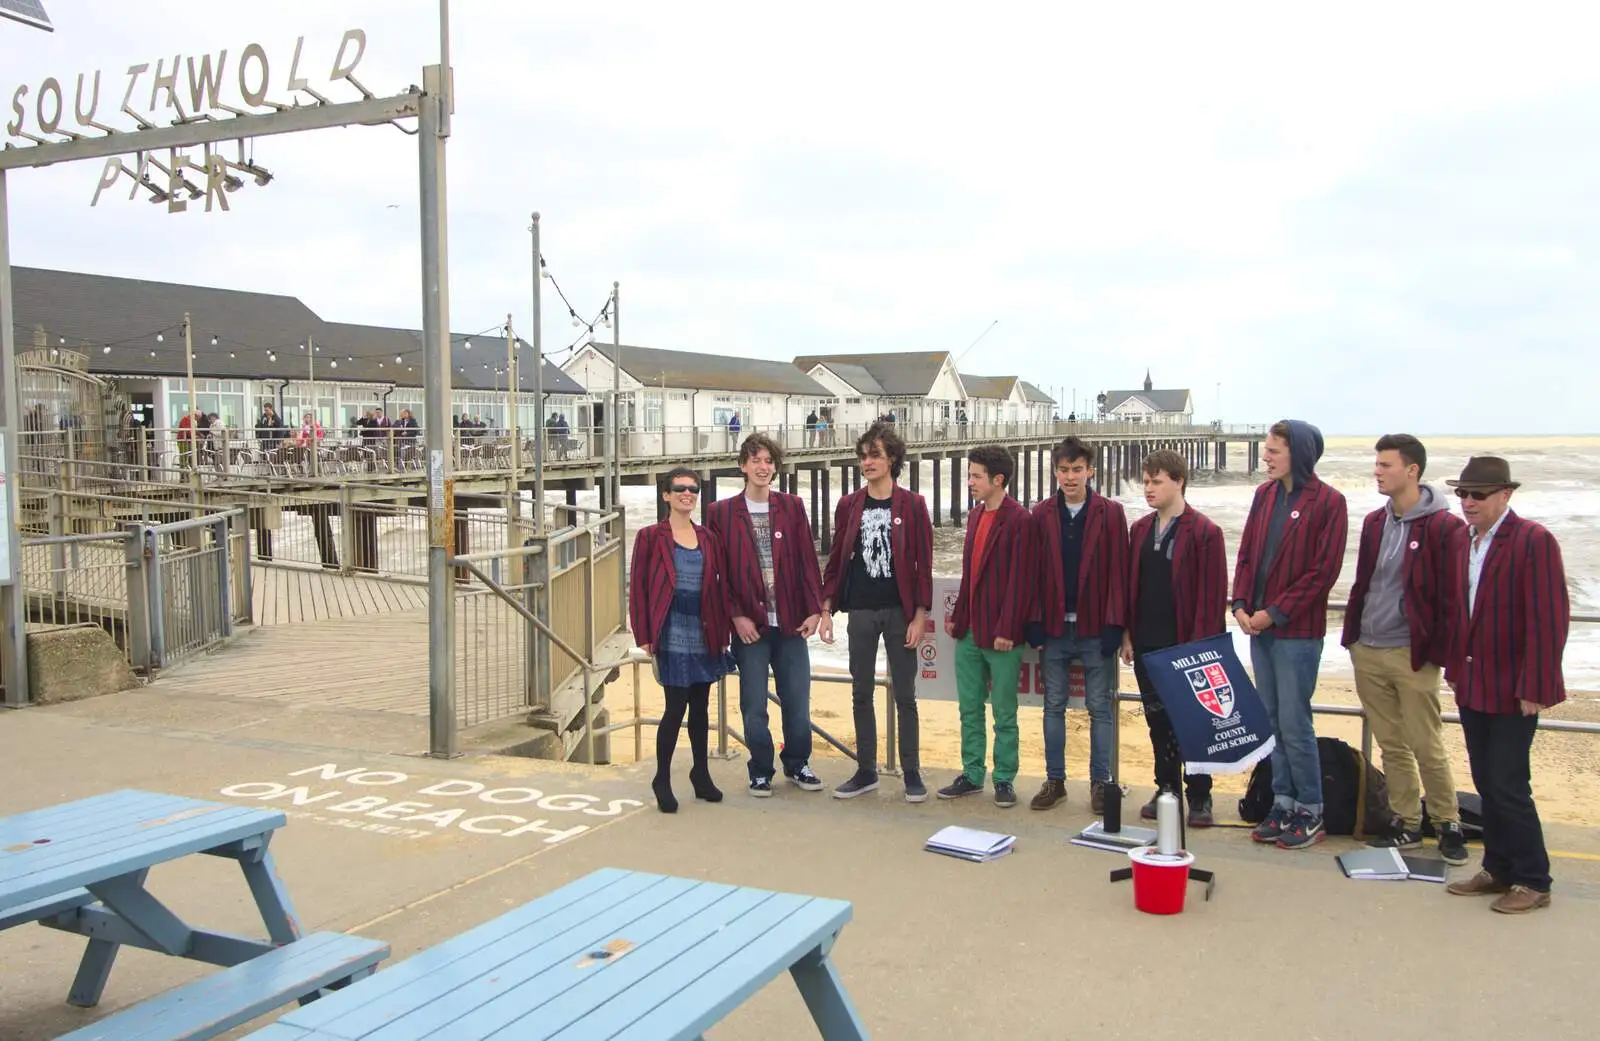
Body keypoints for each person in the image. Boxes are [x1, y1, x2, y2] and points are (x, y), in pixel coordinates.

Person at [1444, 456, 1568, 914]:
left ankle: (1534, 879)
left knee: (1509, 782)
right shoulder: (1463, 541)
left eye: (1478, 494)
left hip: (1515, 686)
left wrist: (1533, 684)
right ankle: (1498, 868)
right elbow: (1460, 611)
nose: (1468, 502)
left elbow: (1548, 618)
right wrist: (1454, 669)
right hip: (1473, 680)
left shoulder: (1533, 541)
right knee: (1485, 781)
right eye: (1462, 494)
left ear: (1505, 495)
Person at [1341, 434, 1470, 865]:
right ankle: (1405, 822)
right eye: (1377, 464)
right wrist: (1354, 637)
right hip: (1369, 648)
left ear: (1412, 471)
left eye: (1386, 465)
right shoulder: (1376, 522)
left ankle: (1448, 822)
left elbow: (1452, 597)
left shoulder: (1444, 527)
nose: (1378, 472)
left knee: (1425, 741)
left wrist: (1442, 655)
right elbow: (1366, 582)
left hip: (1412, 653)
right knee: (1391, 742)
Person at [1233, 419, 1348, 850]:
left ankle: (1310, 808)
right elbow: (1246, 553)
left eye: (1274, 451)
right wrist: (1241, 603)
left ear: (1297, 454)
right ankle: (1281, 801)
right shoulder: (1263, 495)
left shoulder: (1329, 503)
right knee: (1271, 719)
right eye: (1266, 449)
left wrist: (1274, 613)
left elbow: (1323, 573)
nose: (1266, 457)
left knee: (1295, 722)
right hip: (1257, 628)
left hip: (1296, 632)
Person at [708, 433, 827, 798]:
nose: (762, 467)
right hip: (750, 627)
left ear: (775, 468)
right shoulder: (721, 512)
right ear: (743, 465)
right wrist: (735, 617)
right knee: (753, 703)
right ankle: (760, 769)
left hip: (791, 622)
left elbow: (808, 561)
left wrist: (815, 610)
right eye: (755, 460)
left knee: (797, 698)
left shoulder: (791, 506)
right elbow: (718, 573)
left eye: (768, 461)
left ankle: (797, 763)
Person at [820, 422, 934, 802]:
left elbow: (923, 563)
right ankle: (866, 770)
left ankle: (912, 772)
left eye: (875, 456)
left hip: (900, 611)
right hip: (862, 611)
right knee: (860, 692)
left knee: (905, 694)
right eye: (863, 456)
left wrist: (920, 615)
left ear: (892, 460)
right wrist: (825, 606)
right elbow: (836, 559)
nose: (867, 462)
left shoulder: (913, 504)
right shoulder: (849, 504)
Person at [1119, 449, 1228, 827]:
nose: (1148, 488)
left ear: (1179, 481)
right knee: (1157, 722)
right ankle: (1166, 788)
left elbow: (1212, 600)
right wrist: (1128, 634)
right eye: (1146, 481)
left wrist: (1200, 651)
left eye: (1157, 481)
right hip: (1147, 642)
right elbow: (1131, 589)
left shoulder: (1205, 533)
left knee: (1192, 721)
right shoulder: (1140, 530)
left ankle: (1200, 795)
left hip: (1186, 645)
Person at [1027, 436, 1129, 814]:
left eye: (1077, 469)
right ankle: (1056, 781)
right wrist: (1033, 623)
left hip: (1094, 628)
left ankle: (1100, 784)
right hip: (1054, 629)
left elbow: (1120, 571)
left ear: (1090, 471)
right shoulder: (1041, 514)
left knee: (1099, 708)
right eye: (1063, 470)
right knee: (1053, 706)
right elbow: (1032, 574)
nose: (1070, 477)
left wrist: (1115, 625)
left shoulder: (1110, 513)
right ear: (1055, 471)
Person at [628, 467, 736, 814]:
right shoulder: (649, 536)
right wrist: (643, 634)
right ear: (666, 495)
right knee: (675, 708)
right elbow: (639, 590)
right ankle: (662, 778)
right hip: (670, 630)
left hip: (704, 630)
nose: (687, 494)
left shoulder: (708, 538)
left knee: (702, 707)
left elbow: (719, 589)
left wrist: (723, 634)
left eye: (693, 489)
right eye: (680, 489)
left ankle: (700, 774)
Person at [940, 445, 1035, 807]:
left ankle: (1005, 778)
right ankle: (972, 773)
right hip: (969, 631)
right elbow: (970, 574)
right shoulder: (976, 516)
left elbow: (1021, 581)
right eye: (969, 475)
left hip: (1002, 635)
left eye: (976, 476)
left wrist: (1008, 629)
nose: (970, 482)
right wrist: (958, 618)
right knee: (969, 708)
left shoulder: (1020, 520)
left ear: (998, 479)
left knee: (1004, 711)